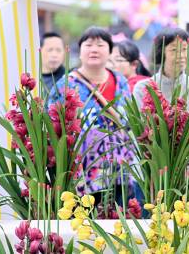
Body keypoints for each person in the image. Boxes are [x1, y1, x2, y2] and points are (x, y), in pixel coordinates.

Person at [47, 27, 133, 200]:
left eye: (100, 45)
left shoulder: (120, 81)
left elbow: (130, 121)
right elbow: (52, 125)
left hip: (118, 171)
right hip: (82, 174)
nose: (94, 49)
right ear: (80, 52)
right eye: (88, 45)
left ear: (109, 52)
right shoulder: (66, 85)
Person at [134, 28, 189, 112]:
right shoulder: (143, 88)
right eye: (174, 50)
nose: (181, 55)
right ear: (161, 53)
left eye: (184, 49)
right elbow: (139, 123)